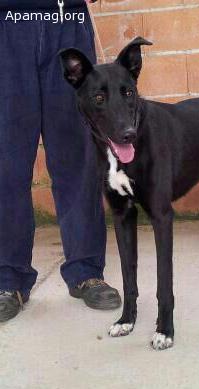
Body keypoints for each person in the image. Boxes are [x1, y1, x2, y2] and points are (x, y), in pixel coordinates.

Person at [0, 0, 121, 322]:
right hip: (6, 27)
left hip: (66, 22)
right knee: (6, 164)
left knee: (76, 158)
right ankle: (8, 279)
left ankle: (86, 270)